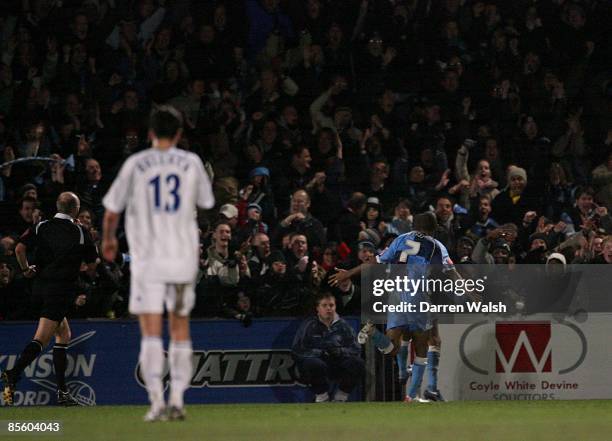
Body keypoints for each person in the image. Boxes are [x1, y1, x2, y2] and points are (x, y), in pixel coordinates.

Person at [101, 106, 215, 421]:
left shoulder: (136, 164)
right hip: (180, 256)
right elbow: (206, 203)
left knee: (151, 332)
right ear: (179, 134)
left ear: (150, 133)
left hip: (148, 258)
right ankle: (178, 399)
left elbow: (112, 211)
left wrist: (109, 239)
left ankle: (155, 403)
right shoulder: (191, 162)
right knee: (179, 329)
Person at [330, 213, 462, 403]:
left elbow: (374, 262)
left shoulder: (400, 240)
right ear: (432, 229)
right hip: (418, 297)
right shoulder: (435, 246)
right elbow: (451, 272)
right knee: (422, 347)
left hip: (397, 296)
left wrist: (348, 273)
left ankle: (374, 334)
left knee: (391, 347)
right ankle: (412, 396)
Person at [2, 192, 98, 406]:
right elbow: (92, 264)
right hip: (60, 291)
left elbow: (19, 247)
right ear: (75, 209)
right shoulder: (81, 231)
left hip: (39, 288)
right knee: (42, 338)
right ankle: (13, 372)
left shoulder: (41, 226)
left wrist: (26, 269)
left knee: (63, 334)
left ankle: (62, 393)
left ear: (58, 206)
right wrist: (80, 265)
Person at [292, 292, 364, 403]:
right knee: (313, 364)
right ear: (318, 308)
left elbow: (356, 349)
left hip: (337, 364)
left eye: (331, 305)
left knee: (357, 363)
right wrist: (319, 352)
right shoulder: (309, 325)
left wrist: (340, 351)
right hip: (317, 365)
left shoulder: (344, 326)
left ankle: (341, 397)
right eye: (324, 305)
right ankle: (322, 396)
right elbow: (297, 350)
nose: (328, 309)